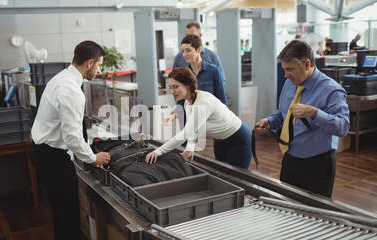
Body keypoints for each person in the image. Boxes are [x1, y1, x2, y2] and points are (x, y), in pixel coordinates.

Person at [30, 41, 111, 240]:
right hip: (52, 157)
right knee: (68, 210)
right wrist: (94, 158)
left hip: (42, 149)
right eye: (99, 66)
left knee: (60, 209)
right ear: (89, 63)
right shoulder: (71, 90)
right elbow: (73, 137)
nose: (99, 71)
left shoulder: (60, 79)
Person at [255, 40, 350, 198]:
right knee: (287, 206)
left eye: (290, 69)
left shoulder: (332, 90)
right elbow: (283, 113)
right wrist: (270, 120)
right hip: (290, 158)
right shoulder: (289, 84)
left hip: (318, 163)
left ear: (307, 64)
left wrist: (315, 113)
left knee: (315, 214)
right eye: (284, 69)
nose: (286, 75)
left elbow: (343, 127)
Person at [146, 67, 252, 169]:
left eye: (176, 86)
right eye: (170, 87)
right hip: (220, 141)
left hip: (238, 138)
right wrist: (189, 148)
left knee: (236, 177)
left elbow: (185, 134)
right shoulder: (188, 102)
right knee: (222, 173)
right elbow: (194, 129)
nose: (172, 91)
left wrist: (158, 151)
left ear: (187, 85)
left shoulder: (203, 103)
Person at [166, 34, 228, 125]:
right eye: (183, 51)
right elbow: (181, 100)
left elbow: (222, 99)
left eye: (188, 50)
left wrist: (223, 121)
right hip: (190, 121)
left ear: (199, 49)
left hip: (210, 121)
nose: (184, 55)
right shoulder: (184, 73)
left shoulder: (214, 71)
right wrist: (174, 114)